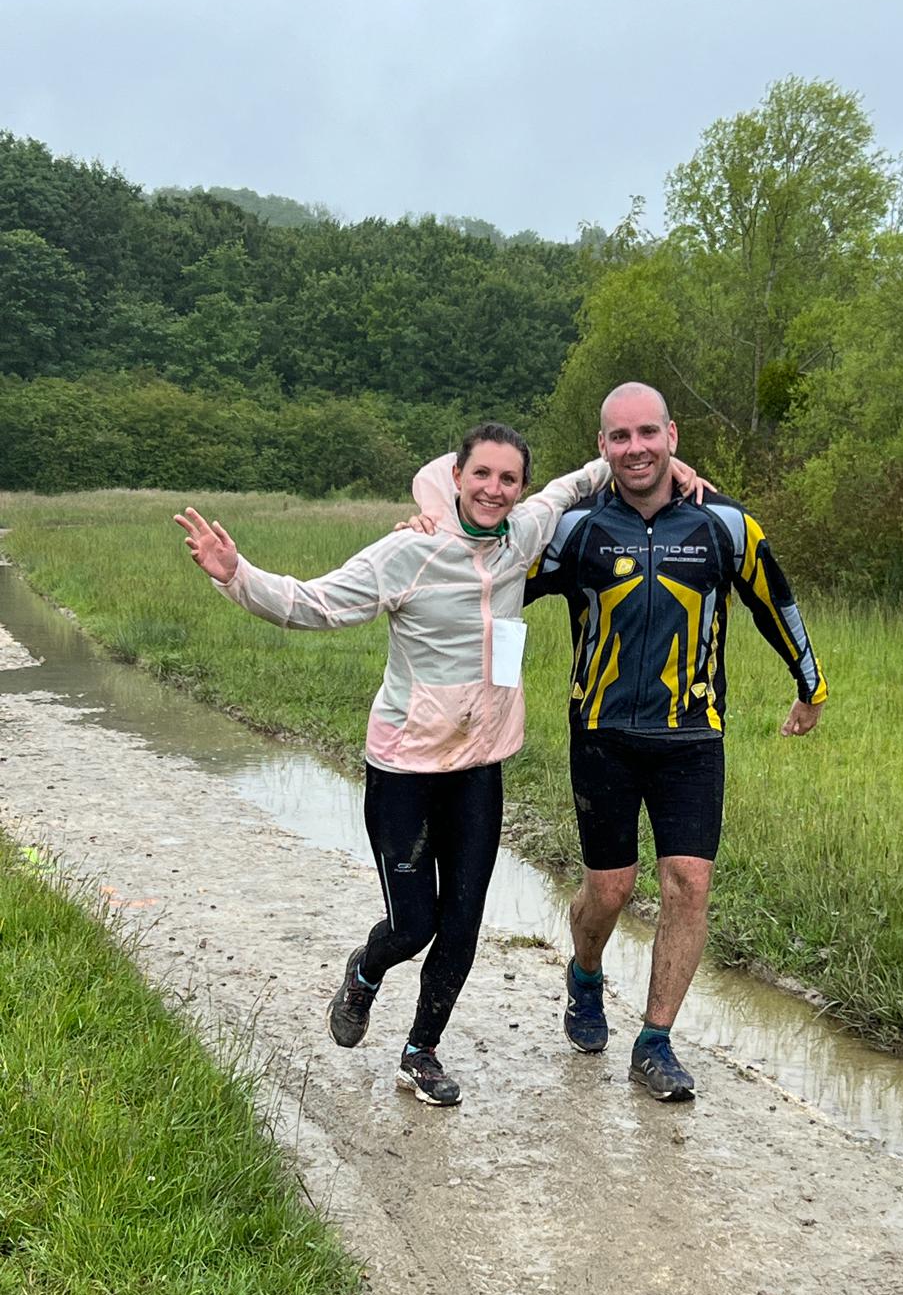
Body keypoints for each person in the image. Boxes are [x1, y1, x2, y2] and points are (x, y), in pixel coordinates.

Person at [173, 425, 618, 1108]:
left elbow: (573, 486)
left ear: (520, 487)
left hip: (478, 768)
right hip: (405, 770)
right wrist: (237, 575)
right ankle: (365, 971)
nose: (495, 489)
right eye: (482, 474)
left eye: (509, 479)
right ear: (457, 477)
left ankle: (421, 1052)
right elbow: (313, 603)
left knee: (462, 925)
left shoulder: (524, 535)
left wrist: (644, 464)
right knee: (413, 926)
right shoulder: (409, 551)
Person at [524, 382, 826, 1103]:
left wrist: (810, 684)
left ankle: (655, 1042)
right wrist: (430, 527)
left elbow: (775, 601)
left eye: (647, 433)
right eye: (620, 436)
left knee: (689, 884)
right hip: (601, 735)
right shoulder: (576, 530)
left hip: (692, 735)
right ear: (601, 447)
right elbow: (492, 577)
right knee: (610, 889)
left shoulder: (726, 525)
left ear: (672, 435)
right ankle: (585, 975)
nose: (636, 448)